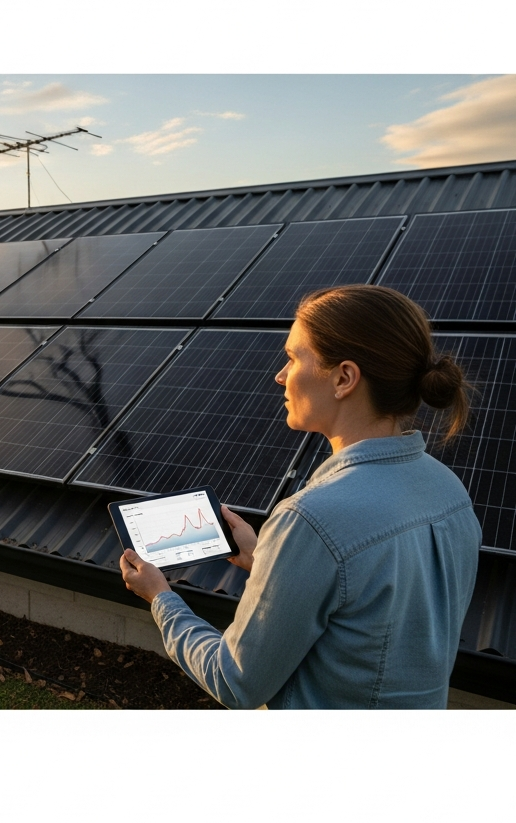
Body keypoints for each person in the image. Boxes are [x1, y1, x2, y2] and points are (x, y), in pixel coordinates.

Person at [119, 285, 481, 709]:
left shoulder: (310, 520)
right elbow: (376, 610)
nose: (279, 375)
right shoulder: (448, 490)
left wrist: (161, 598)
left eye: (292, 358)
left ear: (344, 378)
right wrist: (265, 559)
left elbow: (236, 681)